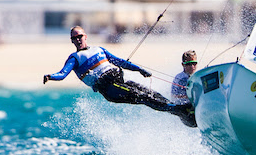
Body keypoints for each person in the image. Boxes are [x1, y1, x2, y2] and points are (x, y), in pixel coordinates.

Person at [43, 26, 196, 128]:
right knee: (142, 96)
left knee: (149, 93)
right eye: (74, 38)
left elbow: (120, 62)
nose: (77, 39)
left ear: (85, 36)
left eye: (80, 36)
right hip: (110, 89)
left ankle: (181, 112)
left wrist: (139, 70)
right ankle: (179, 109)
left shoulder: (99, 50)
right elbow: (62, 74)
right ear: (71, 41)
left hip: (118, 81)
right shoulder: (74, 58)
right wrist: (50, 76)